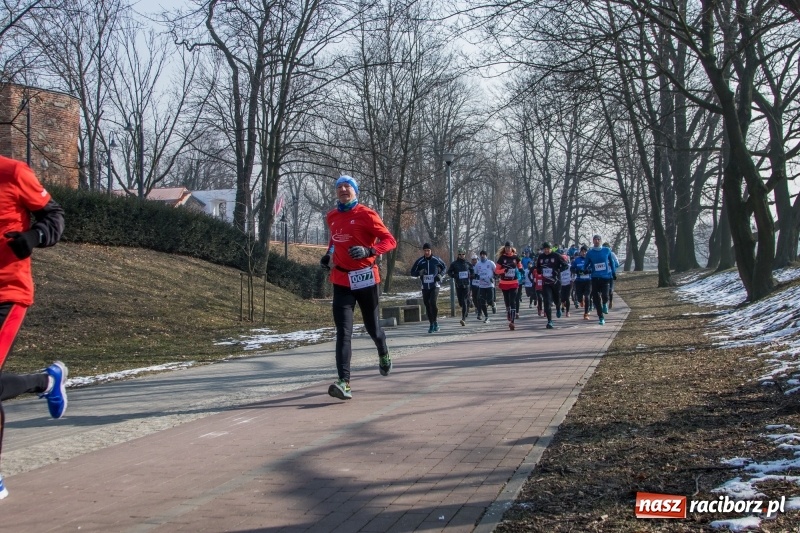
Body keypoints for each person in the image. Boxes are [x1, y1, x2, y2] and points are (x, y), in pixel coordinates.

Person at [0, 155, 67, 500]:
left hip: (6, 292)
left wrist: (34, 236)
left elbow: (54, 216)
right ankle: (46, 381)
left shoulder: (12, 173)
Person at [320, 175, 396, 401]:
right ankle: (344, 382)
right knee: (343, 332)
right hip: (341, 280)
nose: (343, 189)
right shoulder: (332, 216)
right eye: (339, 187)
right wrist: (328, 255)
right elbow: (335, 240)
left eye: (348, 186)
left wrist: (369, 251)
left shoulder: (367, 214)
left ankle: (383, 351)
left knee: (373, 329)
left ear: (355, 191)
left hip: (365, 278)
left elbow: (390, 241)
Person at [410, 243, 446, 333]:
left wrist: (440, 275)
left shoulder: (436, 259)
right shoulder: (420, 261)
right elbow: (412, 272)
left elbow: (444, 267)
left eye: (428, 250)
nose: (426, 252)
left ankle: (436, 322)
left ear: (431, 250)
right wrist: (419, 273)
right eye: (425, 250)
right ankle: (431, 324)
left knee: (432, 302)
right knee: (427, 304)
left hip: (435, 285)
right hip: (425, 286)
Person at [535, 241, 569, 329]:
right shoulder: (541, 257)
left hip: (556, 282)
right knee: (547, 301)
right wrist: (540, 270)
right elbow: (537, 268)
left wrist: (558, 271)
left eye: (548, 249)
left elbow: (566, 265)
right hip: (546, 283)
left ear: (551, 249)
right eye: (545, 249)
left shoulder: (556, 256)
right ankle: (549, 321)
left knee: (557, 299)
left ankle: (558, 307)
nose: (546, 251)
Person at [584, 234, 616, 325]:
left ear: (600, 240)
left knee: (605, 295)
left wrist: (613, 273)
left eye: (598, 239)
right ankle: (601, 317)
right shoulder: (590, 253)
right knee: (596, 299)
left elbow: (612, 262)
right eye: (595, 239)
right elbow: (586, 264)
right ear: (593, 241)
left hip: (605, 277)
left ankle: (605, 303)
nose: (596, 241)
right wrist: (585, 270)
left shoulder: (606, 250)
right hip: (595, 278)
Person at [494, 241, 522, 330]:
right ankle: (508, 311)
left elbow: (520, 267)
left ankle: (512, 322)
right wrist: (503, 271)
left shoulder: (516, 257)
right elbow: (496, 271)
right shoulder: (502, 258)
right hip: (504, 283)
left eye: (509, 247)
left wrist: (521, 270)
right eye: (506, 247)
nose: (507, 249)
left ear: (511, 248)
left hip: (514, 282)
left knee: (513, 301)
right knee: (507, 301)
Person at [447, 248, 474, 326]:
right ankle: (469, 302)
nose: (461, 255)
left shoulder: (468, 263)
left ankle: (463, 318)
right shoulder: (454, 264)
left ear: (465, 255)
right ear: (458, 255)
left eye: (463, 254)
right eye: (460, 254)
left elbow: (472, 271)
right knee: (461, 302)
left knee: (464, 301)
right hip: (458, 285)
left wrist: (471, 275)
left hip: (466, 285)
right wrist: (454, 275)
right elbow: (449, 272)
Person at [473, 250, 496, 323]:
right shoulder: (478, 264)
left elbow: (496, 271)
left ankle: (493, 304)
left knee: (489, 300)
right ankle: (486, 317)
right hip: (482, 286)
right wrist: (477, 277)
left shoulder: (490, 263)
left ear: (486, 256)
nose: (482, 256)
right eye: (481, 255)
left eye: (484, 255)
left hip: (490, 285)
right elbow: (475, 273)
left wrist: (494, 277)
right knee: (482, 301)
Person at [571, 245, 593, 320]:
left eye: (585, 251)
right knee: (579, 297)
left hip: (588, 281)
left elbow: (593, 268)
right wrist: (576, 271)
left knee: (587, 296)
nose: (584, 253)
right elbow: (572, 268)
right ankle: (580, 300)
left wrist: (588, 271)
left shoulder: (590, 259)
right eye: (582, 251)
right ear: (580, 252)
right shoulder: (577, 260)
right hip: (579, 281)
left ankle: (586, 313)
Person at [603, 242, 620, 310]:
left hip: (610, 275)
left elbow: (617, 264)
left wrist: (611, 265)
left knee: (610, 289)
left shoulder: (612, 254)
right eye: (604, 247)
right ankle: (603, 302)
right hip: (603, 275)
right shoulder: (601, 254)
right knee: (602, 290)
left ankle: (610, 301)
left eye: (606, 247)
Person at [469, 254, 481, 319]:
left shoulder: (480, 265)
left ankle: (480, 309)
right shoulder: (470, 266)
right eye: (473, 260)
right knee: (474, 297)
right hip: (473, 283)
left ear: (477, 259)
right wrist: (471, 276)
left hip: (480, 283)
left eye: (475, 260)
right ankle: (476, 307)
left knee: (479, 297)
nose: (474, 261)